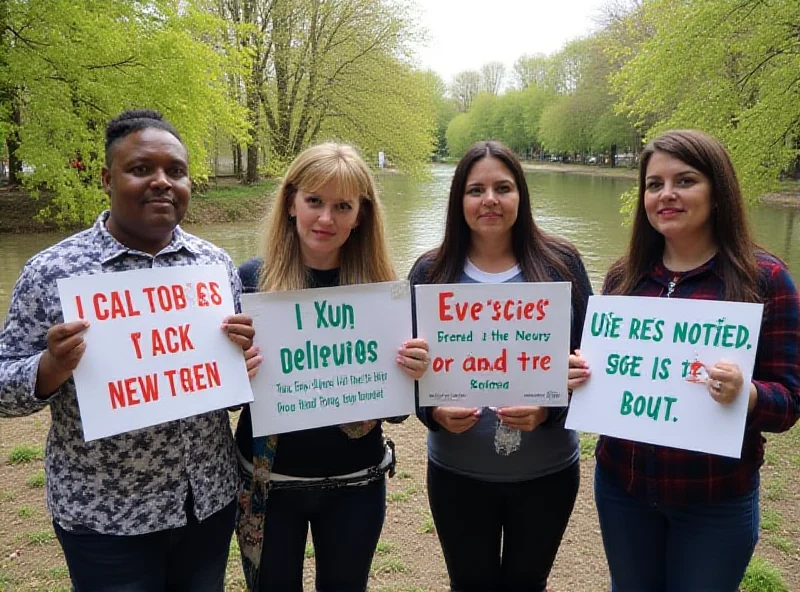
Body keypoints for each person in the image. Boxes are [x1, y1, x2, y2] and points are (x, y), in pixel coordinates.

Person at [0, 109, 255, 592]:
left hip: (206, 501)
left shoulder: (215, 265)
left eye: (175, 171)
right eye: (141, 169)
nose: (162, 182)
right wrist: (49, 368)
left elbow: (233, 389)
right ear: (107, 179)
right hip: (105, 518)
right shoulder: (53, 272)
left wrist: (244, 362)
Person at [569, 130, 800, 592]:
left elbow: (790, 400)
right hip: (622, 487)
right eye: (654, 184)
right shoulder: (624, 275)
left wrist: (748, 394)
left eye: (685, 180)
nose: (666, 195)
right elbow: (606, 371)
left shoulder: (766, 279)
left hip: (715, 498)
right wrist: (580, 374)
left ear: (718, 191)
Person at [234, 142, 430, 592]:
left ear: (361, 215)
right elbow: (228, 401)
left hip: (355, 483)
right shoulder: (249, 280)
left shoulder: (382, 290)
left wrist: (411, 373)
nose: (326, 218)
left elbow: (396, 412)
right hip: (268, 482)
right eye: (314, 201)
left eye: (343, 206)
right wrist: (233, 372)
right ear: (290, 203)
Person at [408, 140, 593, 592]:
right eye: (476, 190)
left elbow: (592, 365)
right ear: (459, 200)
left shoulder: (561, 264)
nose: (489, 200)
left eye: (502, 187)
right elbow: (409, 372)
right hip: (457, 476)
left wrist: (550, 410)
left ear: (520, 195)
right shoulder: (430, 271)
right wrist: (432, 413)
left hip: (547, 475)